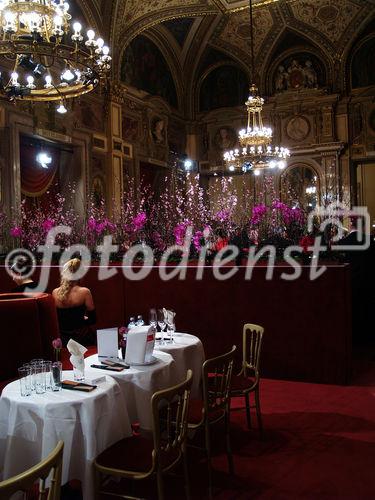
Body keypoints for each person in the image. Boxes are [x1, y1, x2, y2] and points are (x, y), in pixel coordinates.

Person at [52, 258, 97, 347]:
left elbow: (55, 319)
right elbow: (93, 319)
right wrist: (82, 319)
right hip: (82, 339)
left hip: (63, 339)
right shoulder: (85, 292)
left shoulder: (55, 292)